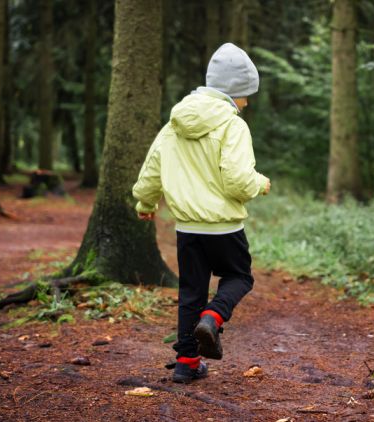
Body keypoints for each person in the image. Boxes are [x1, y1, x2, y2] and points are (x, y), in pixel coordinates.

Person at [132, 43, 270, 384]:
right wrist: (260, 183)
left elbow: (152, 168)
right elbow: (238, 181)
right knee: (240, 277)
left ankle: (186, 363)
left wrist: (145, 203)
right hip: (224, 227)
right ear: (234, 92)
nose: (246, 102)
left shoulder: (174, 124)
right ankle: (213, 317)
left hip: (188, 228)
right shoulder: (233, 126)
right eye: (245, 95)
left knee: (190, 293)